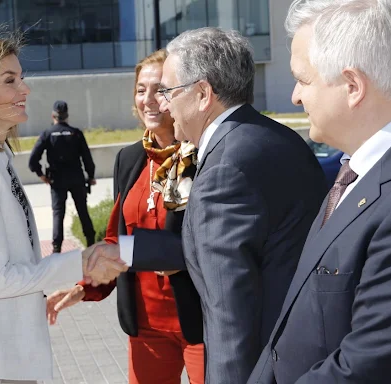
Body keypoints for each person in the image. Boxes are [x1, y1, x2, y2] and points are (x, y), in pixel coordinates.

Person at [89, 27, 328, 383]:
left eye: (168, 91)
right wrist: (124, 251)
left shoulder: (224, 165)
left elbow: (230, 308)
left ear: (203, 94)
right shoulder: (275, 138)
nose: (163, 104)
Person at [248, 1, 391, 383]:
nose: (295, 97)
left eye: (303, 79)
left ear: (352, 86)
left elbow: (374, 365)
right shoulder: (359, 169)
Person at [0, 28, 126, 384]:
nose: (25, 89)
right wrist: (80, 262)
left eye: (22, 78)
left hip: (1, 354)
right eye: (10, 80)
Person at [46, 49, 205, 384]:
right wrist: (83, 287)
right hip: (145, 326)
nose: (148, 100)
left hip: (201, 323)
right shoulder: (129, 159)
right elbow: (116, 241)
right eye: (140, 89)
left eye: (159, 89)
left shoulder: (202, 156)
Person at [28, 100, 96, 252]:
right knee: (82, 210)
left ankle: (57, 248)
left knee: (58, 213)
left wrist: (41, 175)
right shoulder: (76, 133)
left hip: (57, 180)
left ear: (53, 115)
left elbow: (33, 160)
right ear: (67, 116)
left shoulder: (47, 134)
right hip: (77, 179)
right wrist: (91, 176)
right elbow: (87, 158)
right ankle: (91, 243)